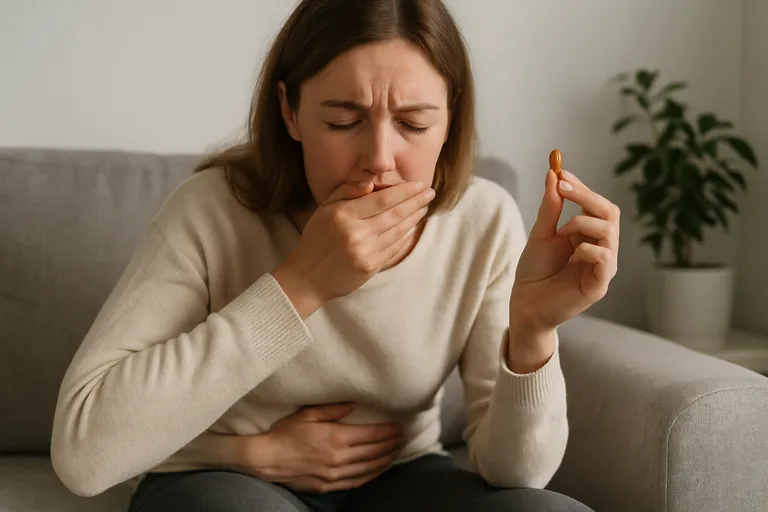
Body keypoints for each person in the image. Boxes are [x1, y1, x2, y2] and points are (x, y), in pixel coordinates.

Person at [51, 1, 620, 511]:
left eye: (413, 123)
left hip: (403, 478)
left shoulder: (482, 219)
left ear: (449, 119)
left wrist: (533, 332)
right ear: (290, 111)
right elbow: (82, 454)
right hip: (222, 481)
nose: (378, 158)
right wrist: (302, 286)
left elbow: (518, 474)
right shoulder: (210, 211)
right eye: (342, 120)